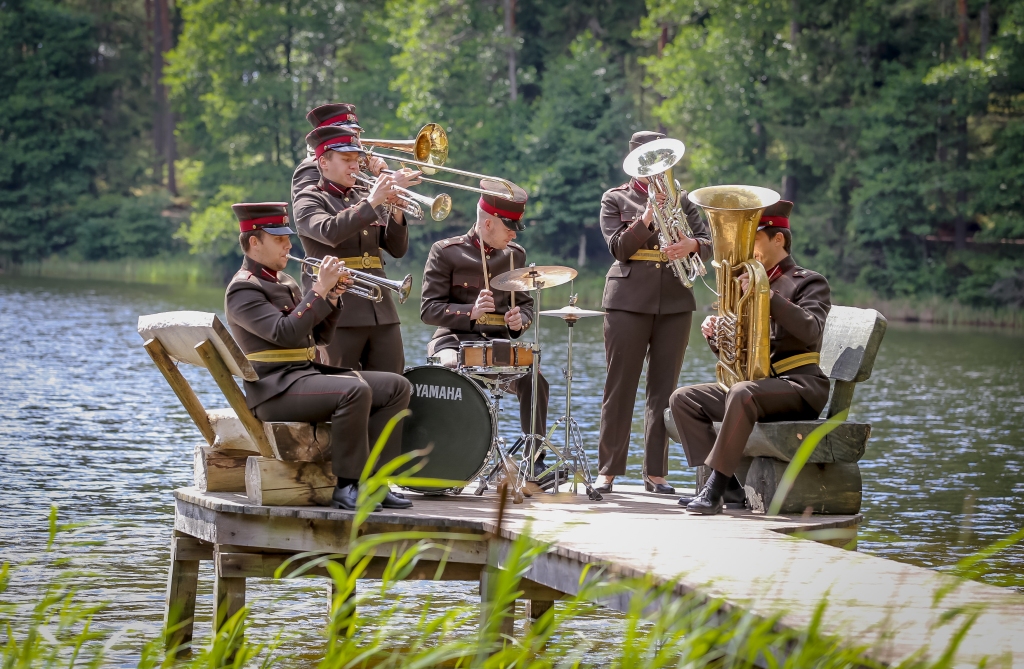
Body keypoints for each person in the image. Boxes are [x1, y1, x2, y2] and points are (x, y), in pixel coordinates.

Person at [224, 202, 413, 511]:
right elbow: (285, 333)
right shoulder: (243, 289)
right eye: (278, 239)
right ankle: (347, 486)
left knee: (396, 387)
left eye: (287, 236)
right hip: (275, 389)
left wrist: (333, 297)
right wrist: (319, 290)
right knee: (355, 390)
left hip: (303, 376)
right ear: (254, 242)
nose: (288, 243)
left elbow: (319, 337)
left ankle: (374, 482)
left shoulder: (284, 282)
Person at [668, 200, 832, 514]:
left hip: (799, 386)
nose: (747, 247)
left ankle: (713, 489)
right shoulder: (746, 283)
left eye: (754, 239)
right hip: (757, 388)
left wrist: (769, 297)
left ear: (779, 239)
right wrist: (718, 339)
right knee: (683, 400)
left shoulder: (809, 282)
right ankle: (728, 488)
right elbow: (741, 352)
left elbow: (811, 331)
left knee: (742, 394)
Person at [595, 131, 713, 495]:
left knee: (664, 391)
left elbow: (708, 241)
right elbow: (618, 248)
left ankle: (656, 474)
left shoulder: (683, 199)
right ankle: (609, 470)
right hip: (627, 300)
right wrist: (646, 217)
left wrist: (692, 243)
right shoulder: (615, 197)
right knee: (620, 388)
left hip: (675, 301)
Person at [420, 182, 550, 472]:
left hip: (498, 345)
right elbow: (429, 310)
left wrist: (520, 322)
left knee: (535, 376)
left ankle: (534, 459)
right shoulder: (445, 252)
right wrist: (471, 311)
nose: (514, 233)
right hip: (453, 341)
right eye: (509, 227)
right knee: (451, 368)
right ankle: (451, 454)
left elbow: (527, 305)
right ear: (488, 223)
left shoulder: (516, 255)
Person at [292, 124, 421, 373]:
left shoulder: (364, 195)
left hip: (381, 308)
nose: (355, 165)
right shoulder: (310, 198)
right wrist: (373, 200)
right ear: (324, 162)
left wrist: (396, 208)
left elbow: (396, 248)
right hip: (338, 314)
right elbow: (330, 232)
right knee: (342, 387)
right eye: (346, 159)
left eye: (356, 159)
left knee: (394, 384)